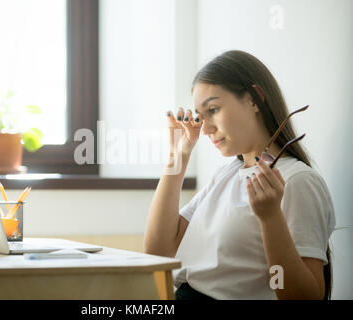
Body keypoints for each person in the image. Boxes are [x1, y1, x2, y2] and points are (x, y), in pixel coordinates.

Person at [143, 50, 336, 300]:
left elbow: (303, 297)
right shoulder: (228, 173)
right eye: (201, 116)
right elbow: (159, 250)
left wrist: (270, 218)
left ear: (255, 98)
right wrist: (177, 157)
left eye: (213, 109)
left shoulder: (297, 181)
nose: (206, 128)